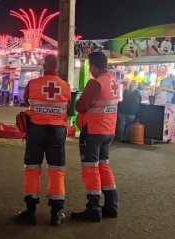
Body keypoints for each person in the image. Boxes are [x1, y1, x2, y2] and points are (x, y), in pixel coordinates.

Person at [16, 54, 71, 226]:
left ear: (43, 65)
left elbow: (25, 101)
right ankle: (56, 213)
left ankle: (30, 212)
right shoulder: (66, 86)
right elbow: (68, 106)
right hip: (57, 132)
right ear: (59, 67)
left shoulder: (33, 84)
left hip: (36, 131)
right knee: (57, 171)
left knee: (32, 169)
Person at [73, 52, 119, 222]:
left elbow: (80, 106)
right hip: (108, 130)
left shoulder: (96, 83)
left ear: (93, 66)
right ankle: (111, 206)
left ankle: (93, 208)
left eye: (90, 67)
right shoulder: (114, 80)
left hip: (93, 131)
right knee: (104, 166)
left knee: (90, 169)